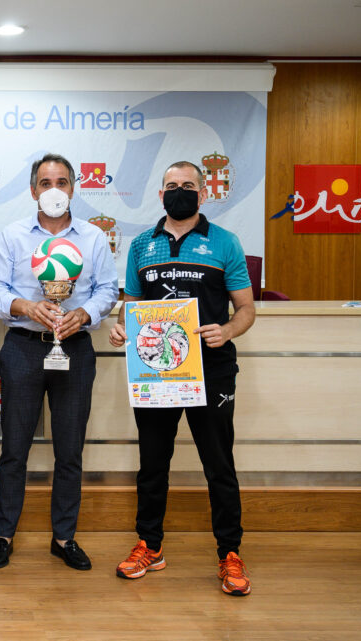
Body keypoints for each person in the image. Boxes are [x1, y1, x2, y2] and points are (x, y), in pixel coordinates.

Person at [108, 160, 256, 596]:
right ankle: (149, 545)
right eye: (172, 185)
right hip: (158, 372)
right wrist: (122, 327)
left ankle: (229, 553)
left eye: (188, 185)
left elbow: (246, 308)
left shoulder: (225, 242)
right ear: (160, 195)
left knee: (219, 464)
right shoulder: (142, 245)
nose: (180, 191)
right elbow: (131, 306)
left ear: (203, 193)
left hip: (212, 371)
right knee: (153, 463)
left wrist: (227, 330)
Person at [0, 153, 118, 570]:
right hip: (23, 347)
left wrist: (86, 314)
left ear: (73, 188)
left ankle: (64, 537)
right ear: (33, 191)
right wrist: (24, 306)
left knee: (70, 449)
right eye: (45, 183)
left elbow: (108, 289)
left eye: (61, 182)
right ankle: (5, 535)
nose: (54, 190)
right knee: (14, 447)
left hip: (75, 348)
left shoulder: (94, 238)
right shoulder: (12, 235)